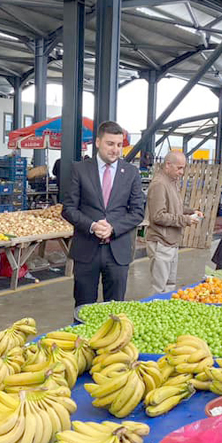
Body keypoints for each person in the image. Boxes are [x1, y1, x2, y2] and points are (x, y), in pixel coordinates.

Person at [62, 121, 145, 307]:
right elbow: (68, 208)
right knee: (83, 307)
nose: (115, 149)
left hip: (118, 252)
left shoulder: (131, 173)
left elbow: (138, 212)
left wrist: (113, 228)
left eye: (119, 145)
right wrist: (92, 226)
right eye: (110, 143)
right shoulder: (80, 169)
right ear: (98, 142)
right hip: (86, 250)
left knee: (115, 309)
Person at [146, 151, 202, 294]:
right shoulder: (159, 184)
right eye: (179, 168)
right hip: (161, 242)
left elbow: (175, 208)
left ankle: (163, 313)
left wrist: (190, 211)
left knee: (169, 285)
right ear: (168, 165)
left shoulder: (171, 182)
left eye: (183, 168)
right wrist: (186, 220)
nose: (182, 172)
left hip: (171, 242)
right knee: (159, 288)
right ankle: (155, 314)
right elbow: (158, 216)